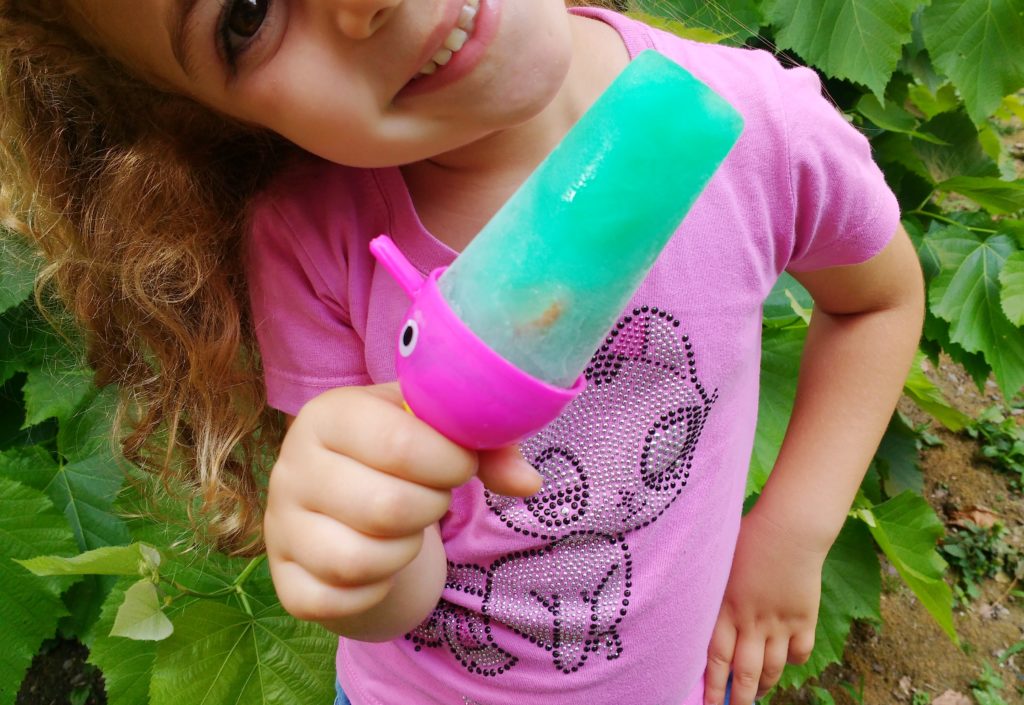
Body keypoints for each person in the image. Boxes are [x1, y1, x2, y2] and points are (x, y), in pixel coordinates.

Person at [0, 1, 925, 704]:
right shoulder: (311, 242)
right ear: (212, 119)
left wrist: (793, 533)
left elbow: (878, 300)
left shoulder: (752, 128)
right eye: (247, 13)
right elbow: (394, 599)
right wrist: (355, 551)